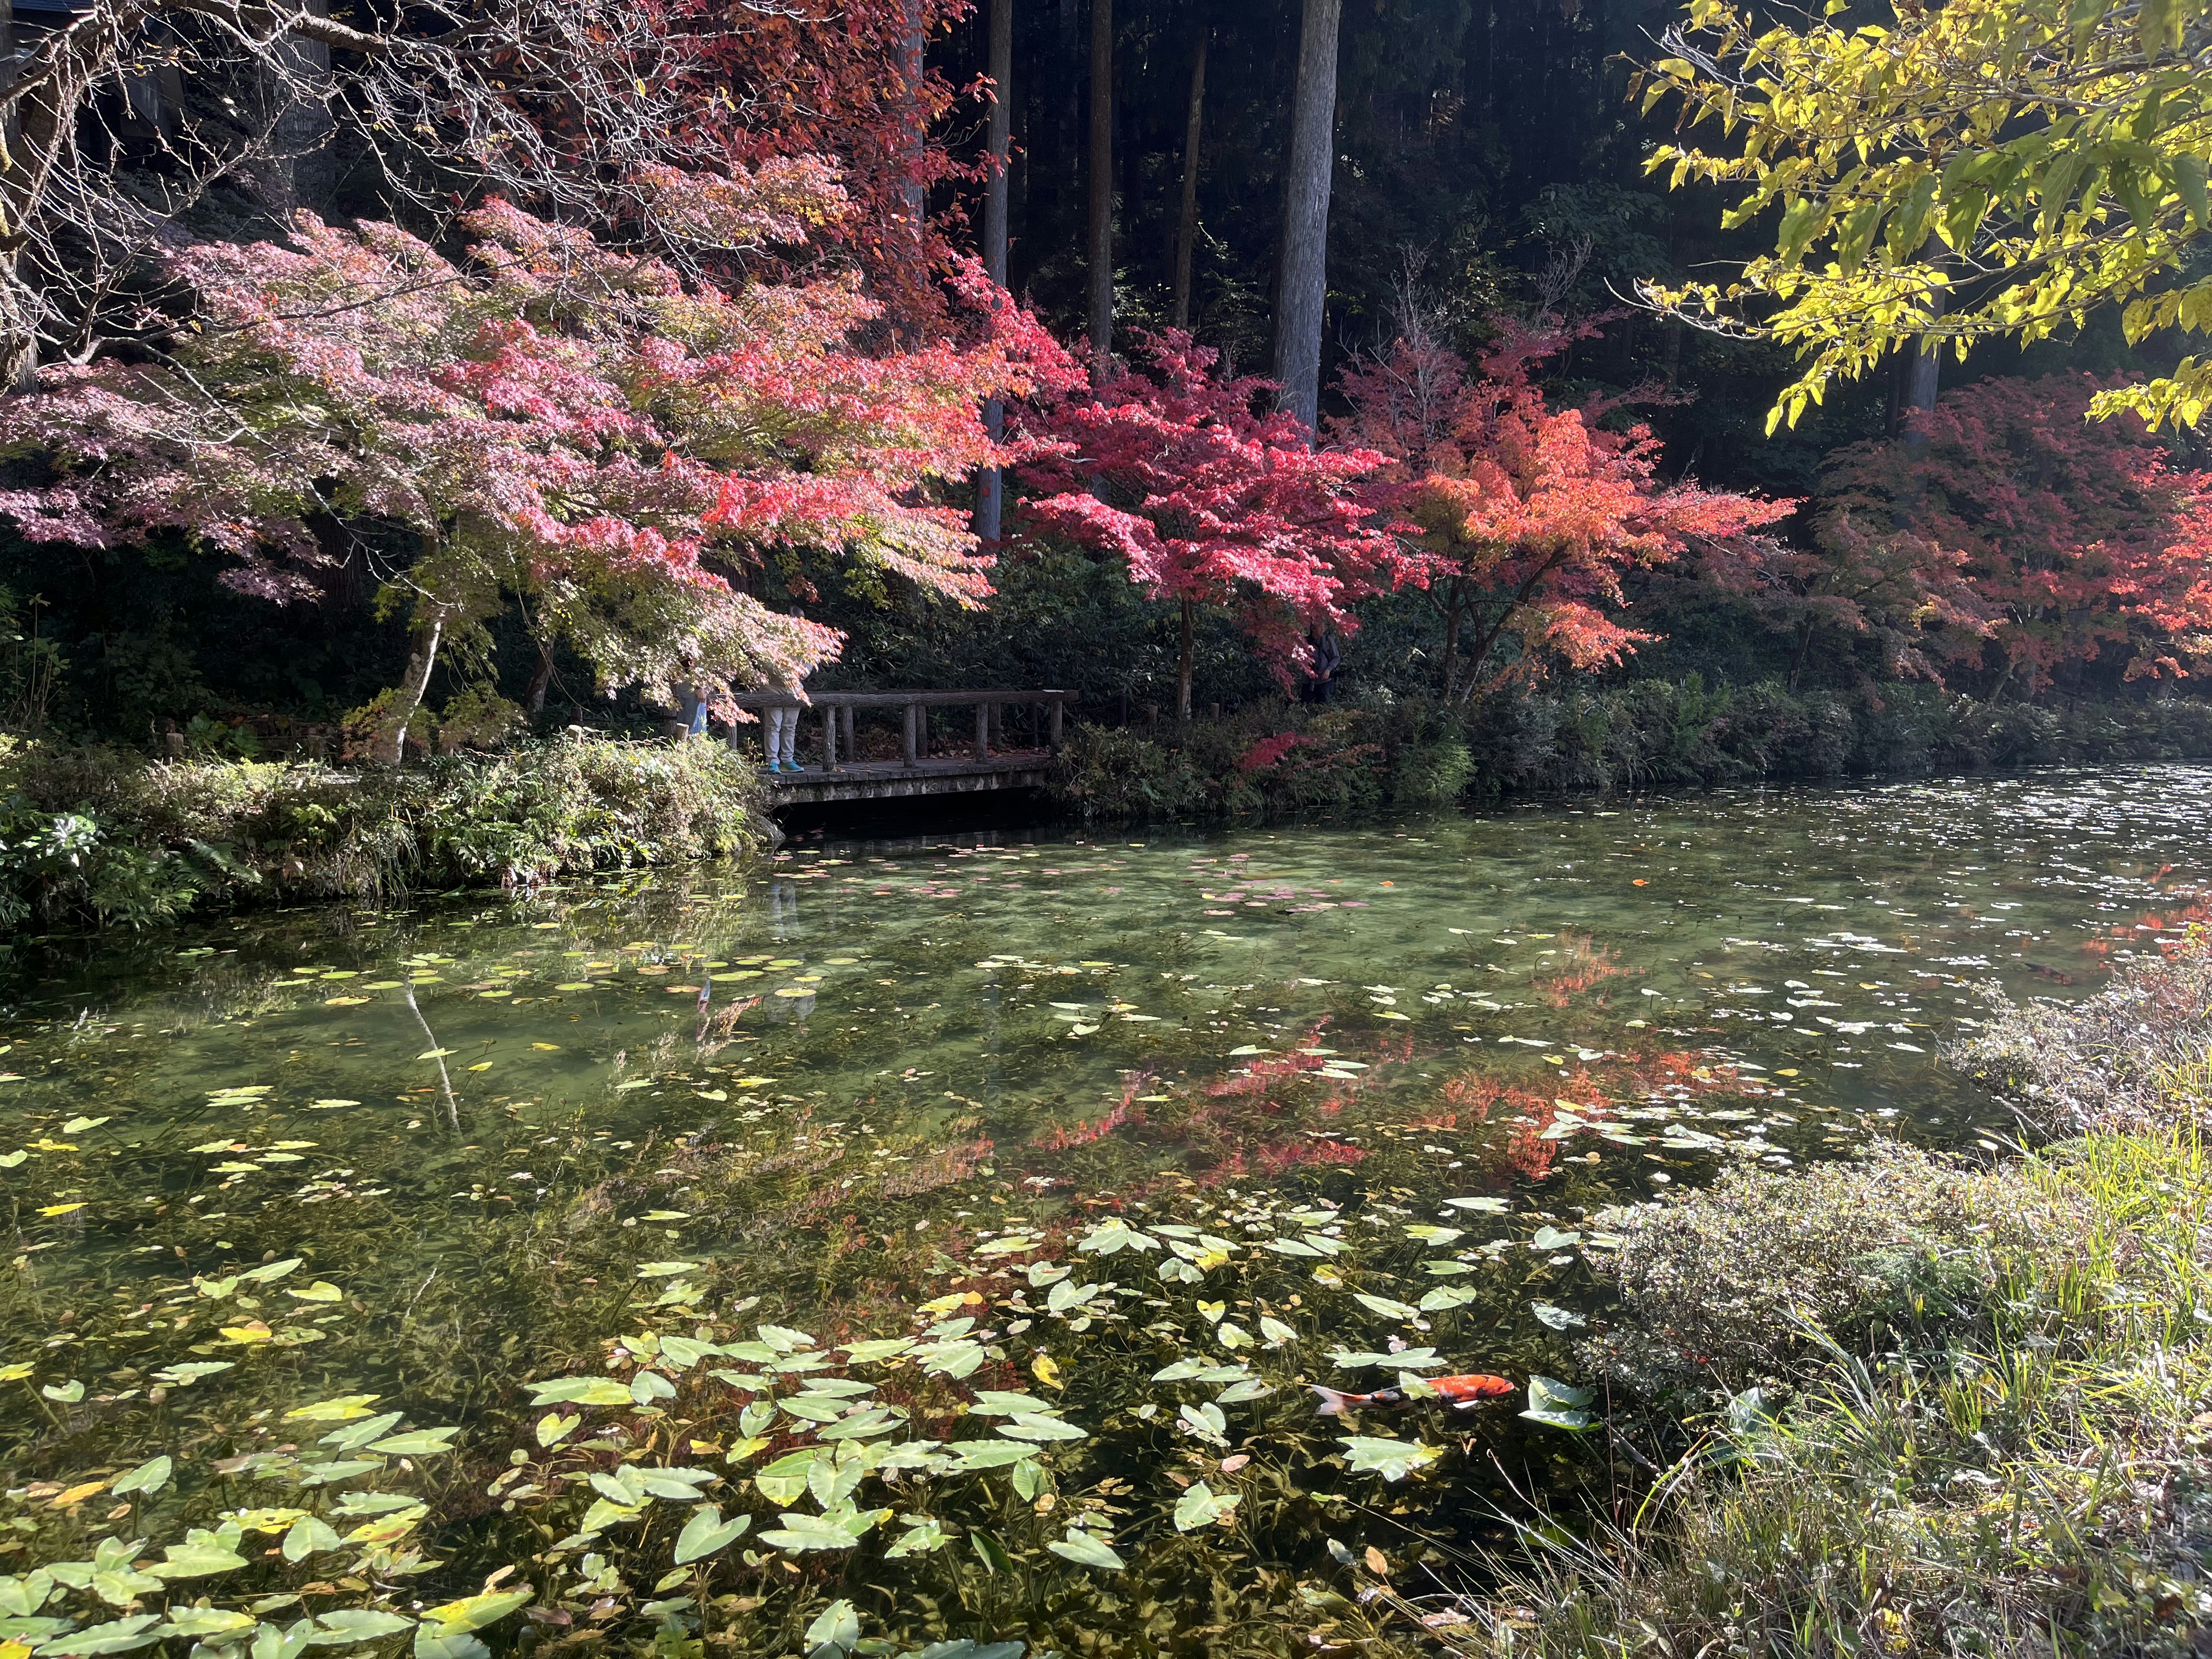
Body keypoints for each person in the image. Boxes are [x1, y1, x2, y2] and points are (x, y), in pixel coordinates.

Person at [761, 664, 803, 774]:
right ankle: (772, 761)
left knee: (790, 726)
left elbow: (810, 660)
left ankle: (788, 760)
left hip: (795, 688)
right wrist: (785, 674)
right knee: (773, 726)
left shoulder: (804, 646)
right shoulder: (769, 645)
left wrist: (801, 673)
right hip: (772, 688)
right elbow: (765, 662)